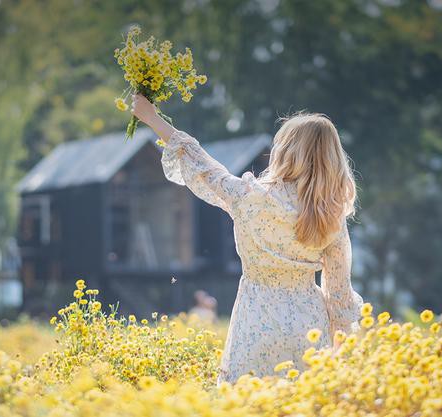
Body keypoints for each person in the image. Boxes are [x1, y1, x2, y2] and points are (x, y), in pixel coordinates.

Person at [131, 94, 363, 385]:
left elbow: (202, 164)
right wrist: (341, 359)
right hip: (309, 329)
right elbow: (339, 294)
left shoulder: (251, 197)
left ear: (286, 152)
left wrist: (152, 117)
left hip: (256, 323)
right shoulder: (331, 217)